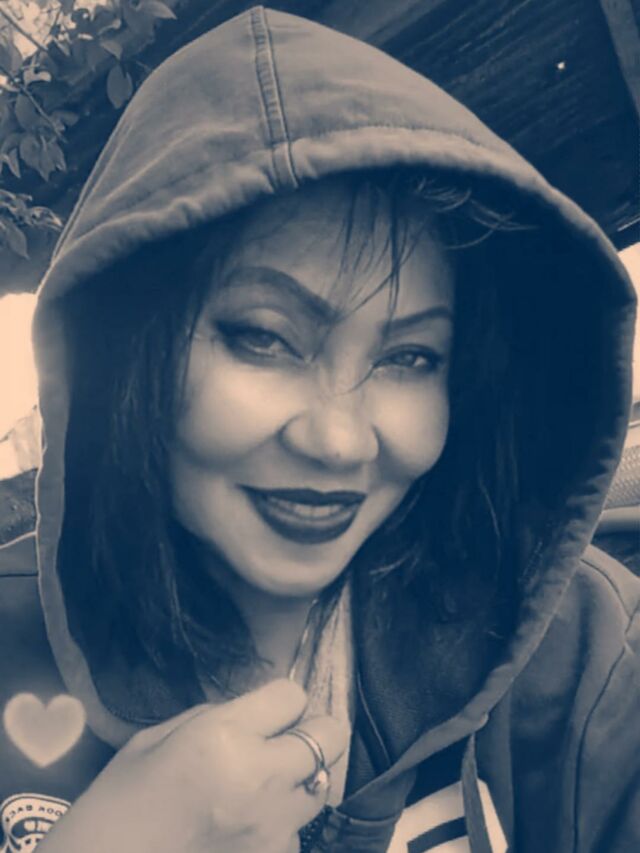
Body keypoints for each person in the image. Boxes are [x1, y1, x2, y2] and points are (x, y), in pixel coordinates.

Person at [0, 6, 637, 852]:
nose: (339, 441)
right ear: (124, 354)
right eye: (263, 338)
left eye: (410, 357)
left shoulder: (581, 644)